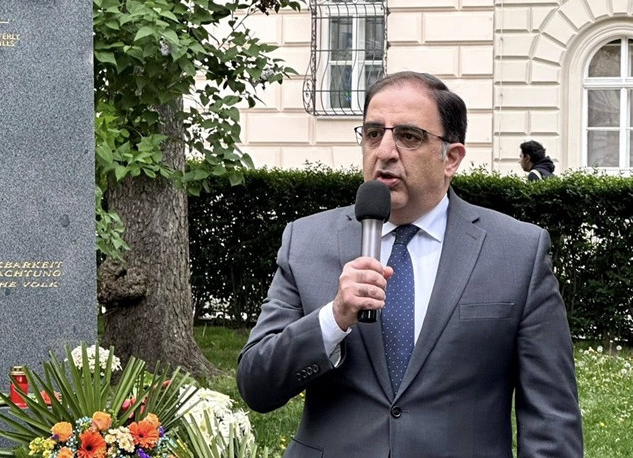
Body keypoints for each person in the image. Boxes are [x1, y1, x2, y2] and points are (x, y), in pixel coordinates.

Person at [236, 71, 582, 457]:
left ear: (451, 158)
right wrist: (333, 319)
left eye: (409, 136)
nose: (384, 151)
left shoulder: (517, 251)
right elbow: (256, 385)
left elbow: (552, 421)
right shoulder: (306, 241)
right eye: (373, 134)